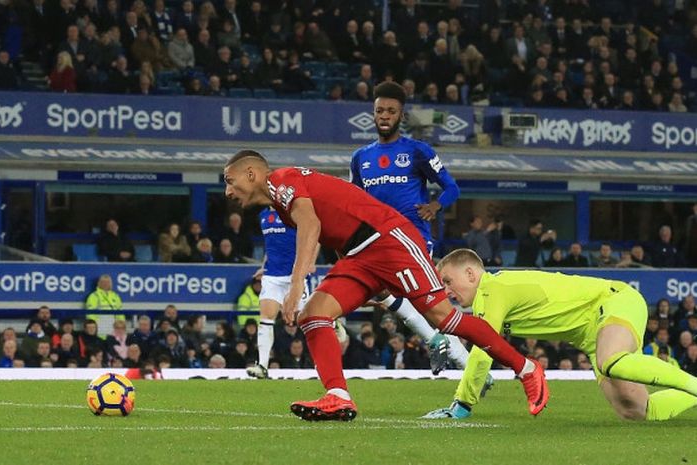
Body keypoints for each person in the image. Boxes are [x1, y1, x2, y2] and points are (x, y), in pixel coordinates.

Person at [222, 150, 548, 421]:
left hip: (390, 241)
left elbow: (311, 224)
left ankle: (526, 368)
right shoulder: (281, 198)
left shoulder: (281, 181)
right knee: (314, 314)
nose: (227, 190)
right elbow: (335, 224)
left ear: (251, 173)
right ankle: (337, 395)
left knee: (446, 320)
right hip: (358, 256)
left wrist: (295, 287)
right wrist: (361, 281)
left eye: (229, 180)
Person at [423, 248, 697, 422]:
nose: (445, 290)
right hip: (592, 332)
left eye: (447, 281)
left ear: (471, 274)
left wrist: (463, 404)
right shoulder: (491, 294)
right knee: (635, 410)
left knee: (610, 359)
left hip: (614, 300)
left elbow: (483, 350)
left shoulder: (491, 290)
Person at [349, 81, 470, 373]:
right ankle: (441, 344)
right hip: (377, 242)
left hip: (413, 240)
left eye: (391, 111)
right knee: (382, 294)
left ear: (401, 116)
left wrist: (435, 206)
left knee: (429, 307)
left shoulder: (418, 151)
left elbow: (452, 187)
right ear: (373, 114)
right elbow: (354, 201)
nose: (384, 116)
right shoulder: (360, 158)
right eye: (380, 110)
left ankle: (468, 361)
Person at [246, 207, 313, 379]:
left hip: (294, 276)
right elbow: (271, 246)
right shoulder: (263, 216)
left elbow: (313, 235)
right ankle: (262, 365)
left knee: (307, 319)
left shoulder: (292, 212)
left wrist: (310, 261)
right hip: (272, 276)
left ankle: (333, 325)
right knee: (266, 319)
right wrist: (263, 265)